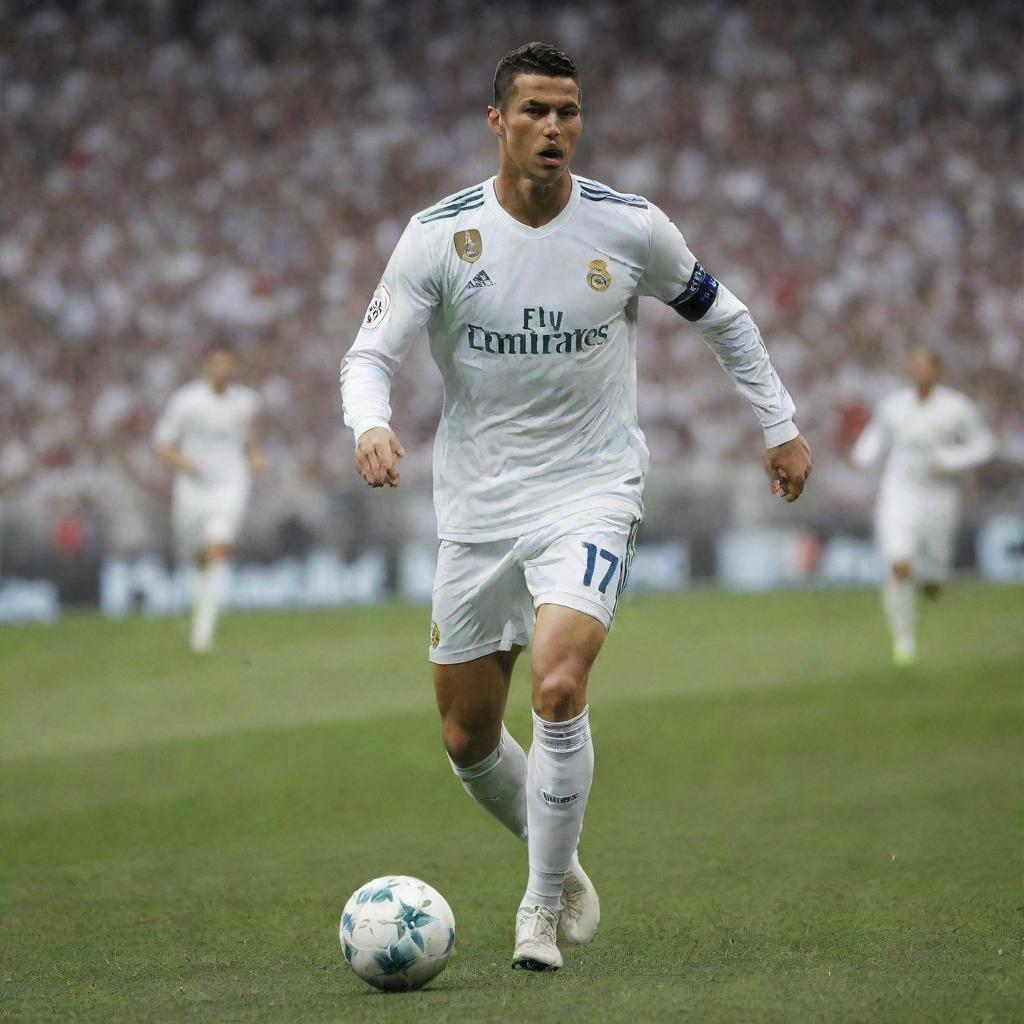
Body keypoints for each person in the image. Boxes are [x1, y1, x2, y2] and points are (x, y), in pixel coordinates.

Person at [340, 41, 812, 972]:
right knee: (468, 737)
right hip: (476, 505)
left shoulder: (629, 227)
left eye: (568, 113)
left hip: (593, 488)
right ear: (497, 123)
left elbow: (724, 314)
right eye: (534, 112)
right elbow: (369, 355)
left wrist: (780, 422)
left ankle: (539, 908)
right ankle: (556, 855)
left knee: (559, 684)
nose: (554, 128)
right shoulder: (440, 235)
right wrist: (370, 424)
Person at [852, 347, 995, 666]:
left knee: (932, 579)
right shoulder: (894, 407)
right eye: (914, 366)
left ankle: (933, 578)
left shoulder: (957, 408)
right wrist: (863, 457)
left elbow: (985, 445)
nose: (918, 372)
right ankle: (903, 641)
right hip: (899, 494)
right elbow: (873, 441)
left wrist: (951, 459)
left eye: (924, 366)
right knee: (898, 563)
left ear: (938, 371)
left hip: (940, 498)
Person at [153, 342, 264, 653]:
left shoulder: (246, 402)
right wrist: (186, 464)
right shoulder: (187, 402)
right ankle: (200, 603)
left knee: (218, 547)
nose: (222, 370)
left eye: (227, 364)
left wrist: (254, 456)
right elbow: (163, 443)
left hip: (230, 483)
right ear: (206, 367)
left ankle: (203, 632)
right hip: (192, 486)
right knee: (193, 552)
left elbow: (247, 438)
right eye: (216, 364)